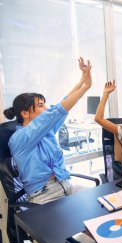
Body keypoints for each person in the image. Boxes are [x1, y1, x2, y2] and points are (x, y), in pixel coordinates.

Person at [4, 57, 92, 205]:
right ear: (25, 113)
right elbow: (57, 111)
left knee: (100, 201)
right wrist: (85, 87)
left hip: (66, 186)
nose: (46, 109)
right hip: (44, 196)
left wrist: (82, 80)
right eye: (40, 106)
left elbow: (60, 106)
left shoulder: (45, 131)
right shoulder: (20, 138)